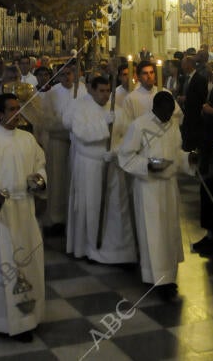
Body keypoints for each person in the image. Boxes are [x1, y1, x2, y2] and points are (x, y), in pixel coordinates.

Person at [0, 93, 47, 341]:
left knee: (30, 264)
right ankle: (7, 321)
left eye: (19, 108)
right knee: (6, 266)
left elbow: (40, 164)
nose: (17, 113)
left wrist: (39, 180)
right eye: (12, 109)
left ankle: (31, 316)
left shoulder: (28, 139)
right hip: (4, 215)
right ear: (0, 114)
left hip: (26, 210)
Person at [118, 91, 189, 299]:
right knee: (154, 234)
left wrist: (189, 160)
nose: (168, 116)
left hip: (169, 187)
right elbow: (126, 156)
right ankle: (157, 280)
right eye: (165, 113)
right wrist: (147, 165)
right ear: (155, 108)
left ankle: (170, 277)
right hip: (149, 187)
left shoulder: (173, 124)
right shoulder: (139, 125)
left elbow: (177, 153)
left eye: (171, 112)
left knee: (169, 232)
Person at [67, 76, 135, 264]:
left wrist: (116, 151)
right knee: (92, 206)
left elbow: (128, 136)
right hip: (90, 165)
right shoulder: (81, 108)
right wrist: (103, 124)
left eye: (108, 91)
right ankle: (91, 249)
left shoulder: (118, 110)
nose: (105, 95)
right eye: (102, 91)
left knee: (116, 208)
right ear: (92, 90)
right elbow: (80, 133)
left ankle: (119, 251)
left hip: (112, 163)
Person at [41, 62, 86, 232]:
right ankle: (56, 217)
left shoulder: (84, 91)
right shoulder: (51, 94)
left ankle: (73, 217)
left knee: (75, 179)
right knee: (58, 180)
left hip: (79, 142)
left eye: (70, 73)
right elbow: (47, 120)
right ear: (57, 76)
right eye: (63, 74)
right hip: (58, 142)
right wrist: (68, 126)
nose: (67, 77)